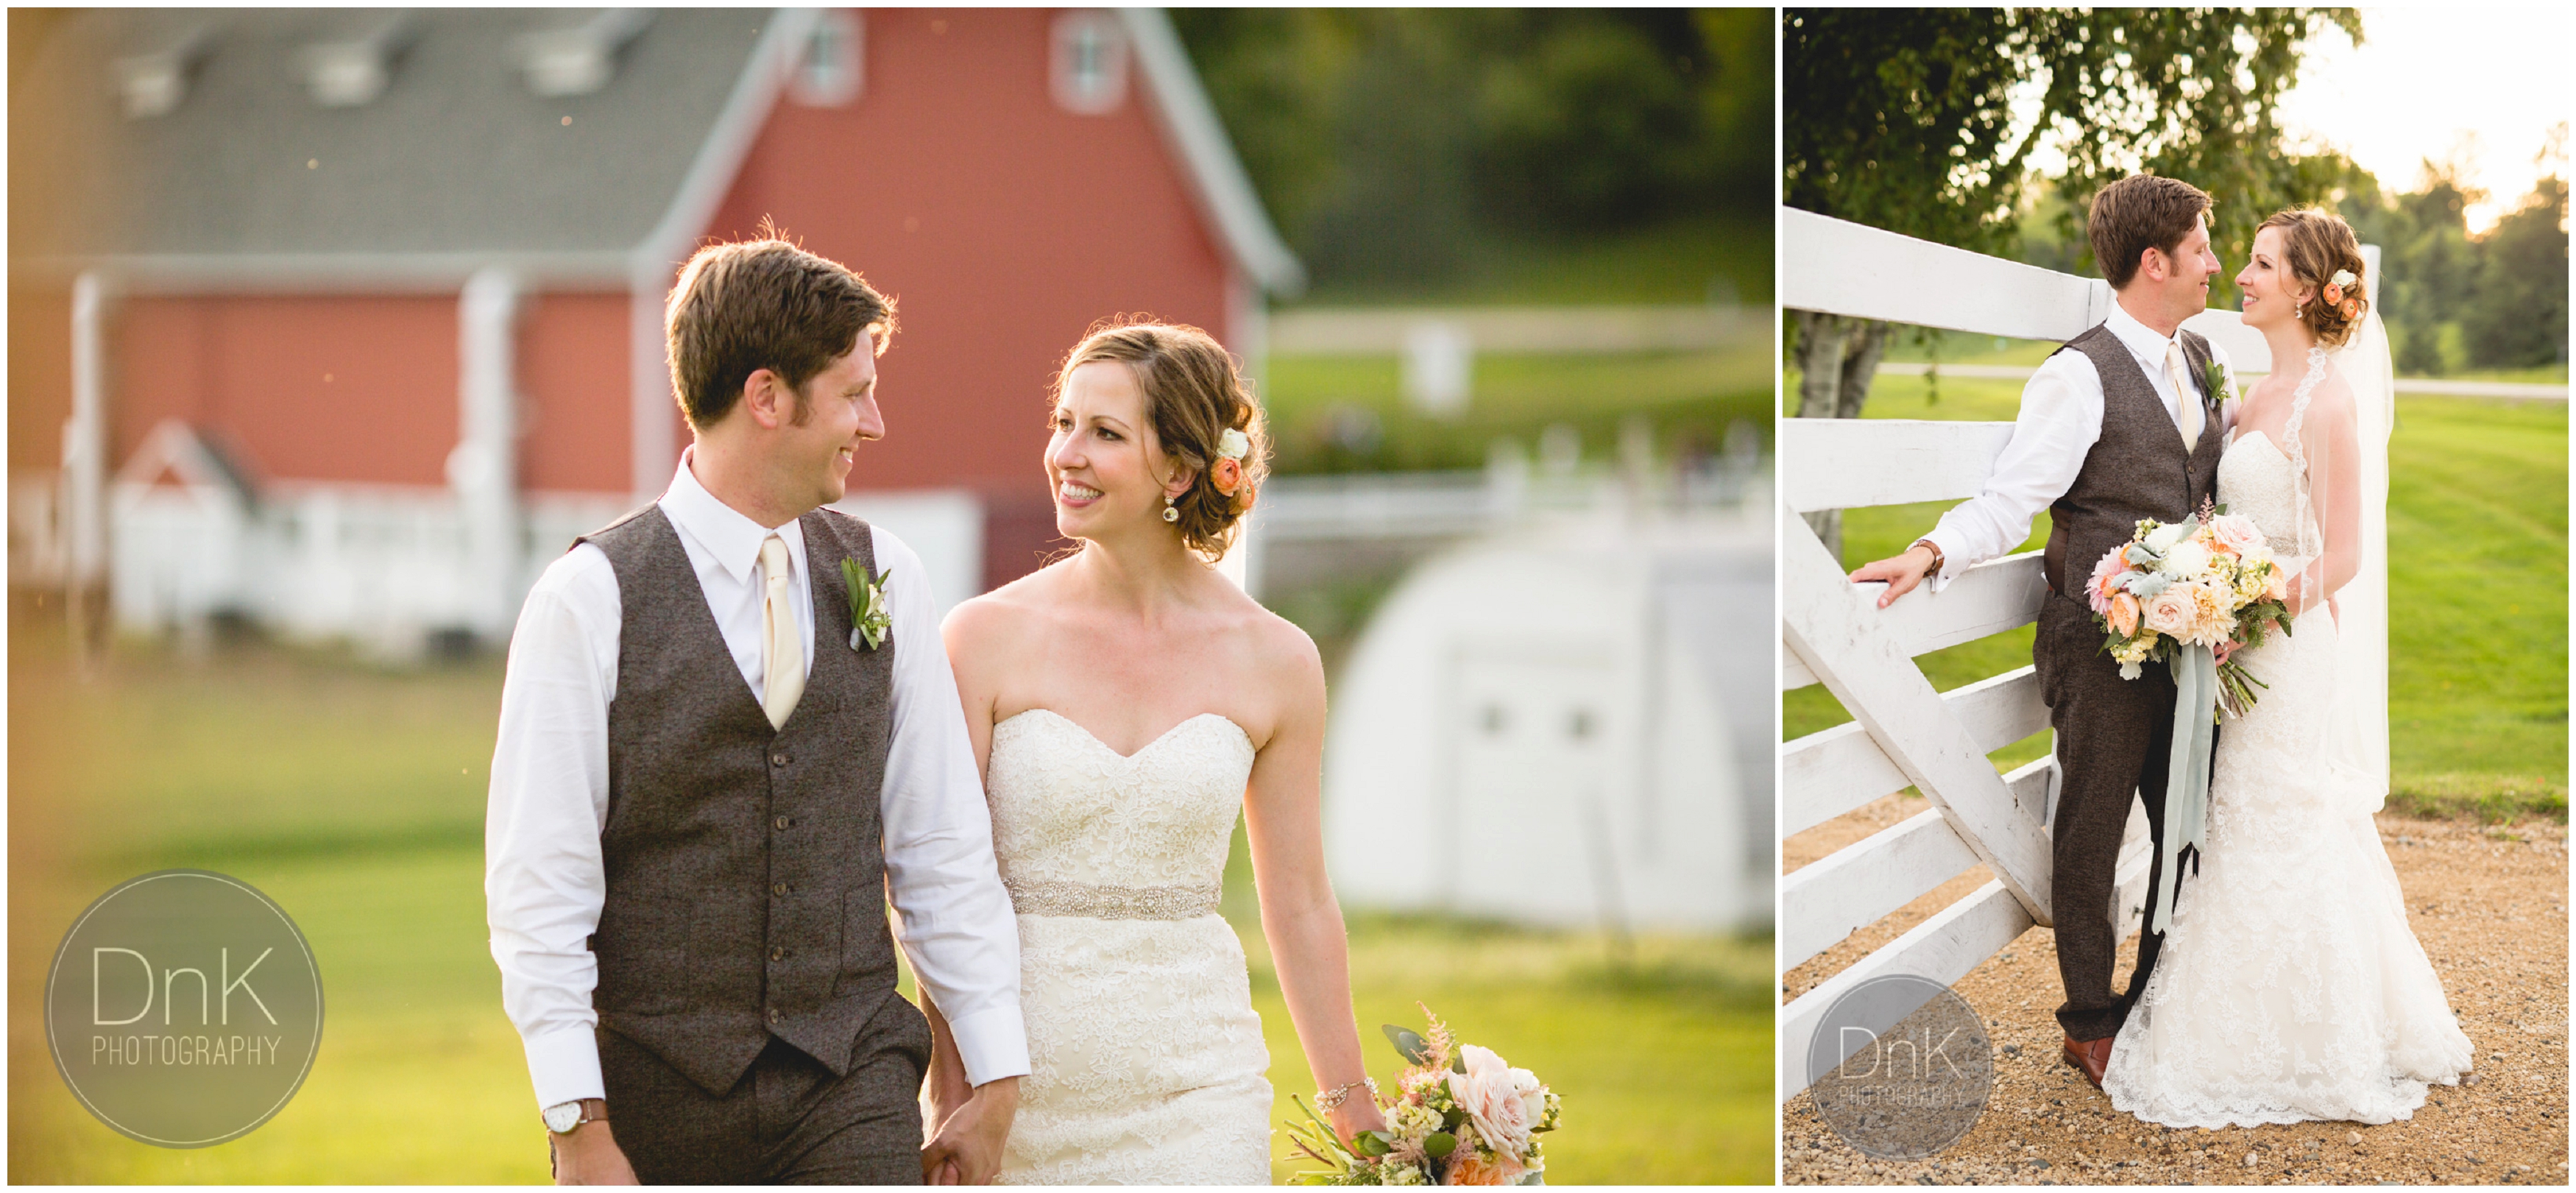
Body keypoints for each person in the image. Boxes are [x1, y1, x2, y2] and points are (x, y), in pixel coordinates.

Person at [485, 238, 1028, 1183]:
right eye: (853, 393)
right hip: (653, 1095)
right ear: (768, 397)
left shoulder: (886, 574)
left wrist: (993, 1071)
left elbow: (939, 842)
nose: (876, 421)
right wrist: (578, 1127)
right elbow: (541, 887)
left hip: (851, 1077)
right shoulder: (587, 599)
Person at [930, 322, 1390, 1183]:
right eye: (1063, 422)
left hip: (1199, 1090)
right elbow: (940, 881)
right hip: (1018, 1097)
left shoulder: (1278, 660)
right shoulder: (981, 639)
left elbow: (1297, 902)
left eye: (1104, 434)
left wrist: (1351, 1100)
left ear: (1179, 470)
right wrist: (957, 1086)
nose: (1066, 453)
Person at [1848, 174, 2234, 1086]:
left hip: (2189, 636)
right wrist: (1932, 549)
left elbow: (2200, 487)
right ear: (2155, 261)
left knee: (2194, 820)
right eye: (2202, 248)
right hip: (2095, 640)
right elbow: (2012, 499)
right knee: (2092, 825)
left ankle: (2158, 1003)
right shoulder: (2075, 375)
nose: (2214, 264)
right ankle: (2088, 1023)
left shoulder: (2201, 354)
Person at [2101, 208, 2471, 1125]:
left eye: (2260, 265)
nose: (2241, 276)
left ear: (2306, 290)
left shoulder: (2326, 403)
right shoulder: (2248, 394)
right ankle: (2231, 1021)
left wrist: (2248, 611)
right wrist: (2198, 591)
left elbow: (2341, 555)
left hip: (2286, 651)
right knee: (2229, 820)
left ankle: (2318, 1038)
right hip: (2234, 641)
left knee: (2280, 820)